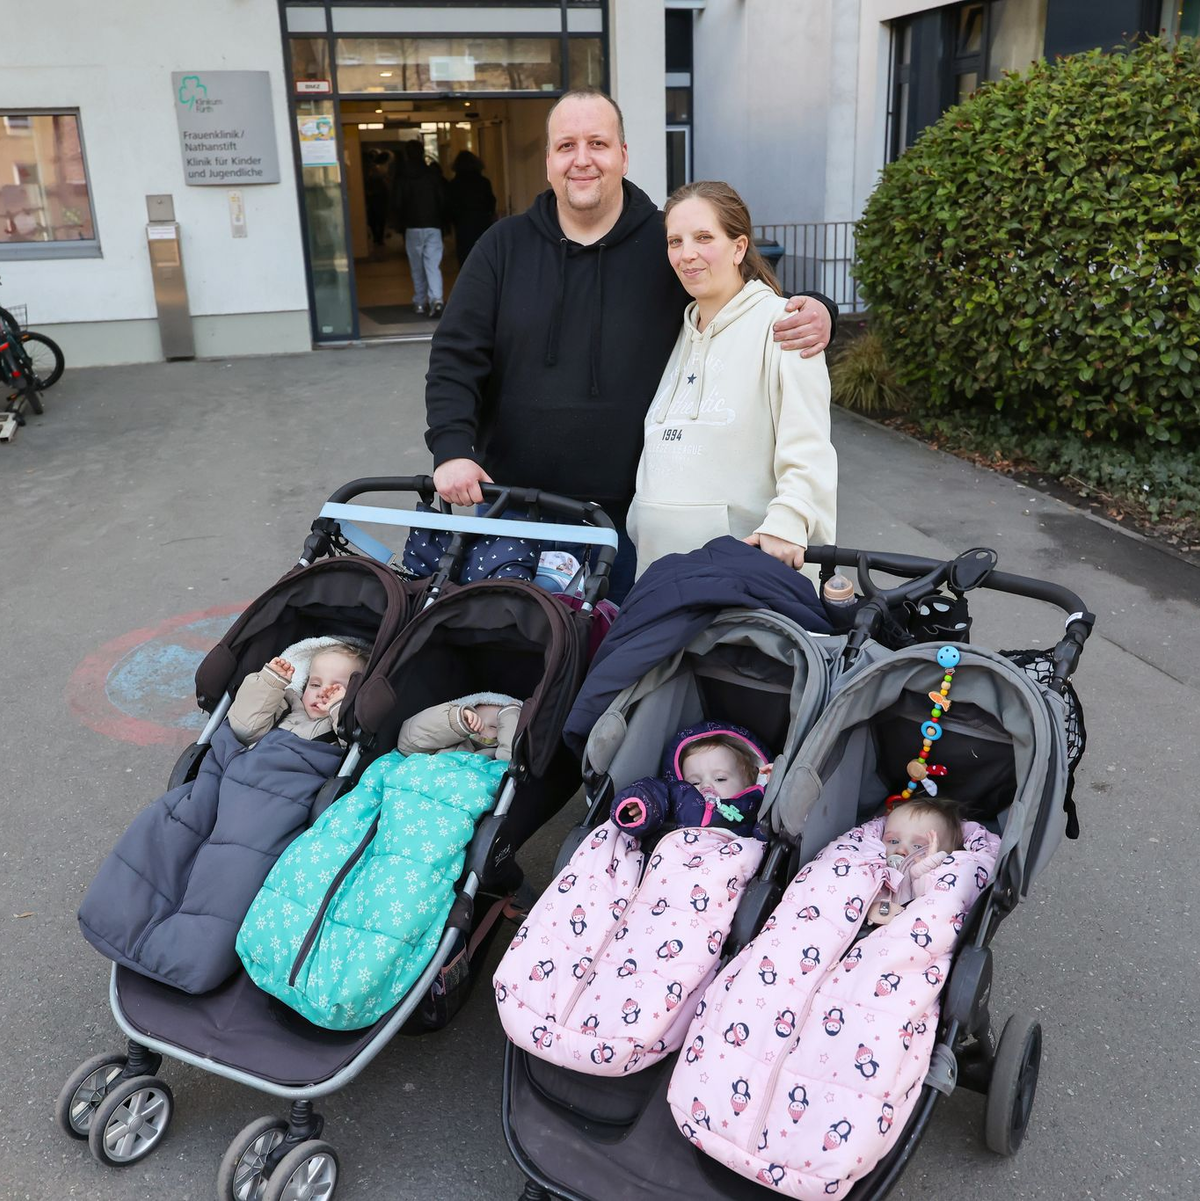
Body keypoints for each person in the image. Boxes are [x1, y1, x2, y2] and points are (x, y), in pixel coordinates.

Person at [424, 88, 836, 601]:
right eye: (566, 145)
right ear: (549, 161)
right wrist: (451, 449)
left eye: (597, 143)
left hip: (631, 522)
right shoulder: (502, 248)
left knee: (617, 664)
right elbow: (454, 357)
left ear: (623, 154)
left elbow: (733, 290)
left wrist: (819, 306)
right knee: (517, 657)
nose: (582, 160)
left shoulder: (663, 242)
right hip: (513, 510)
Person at [627, 180, 837, 578]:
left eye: (704, 237)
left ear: (739, 247)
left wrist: (789, 521)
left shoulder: (784, 326)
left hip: (742, 583)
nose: (687, 254)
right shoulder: (679, 335)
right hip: (659, 579)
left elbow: (809, 446)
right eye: (675, 241)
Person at [609, 723, 770, 838]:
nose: (706, 785)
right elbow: (654, 791)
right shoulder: (678, 796)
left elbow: (765, 837)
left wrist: (773, 783)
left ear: (749, 781)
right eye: (694, 783)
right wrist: (643, 804)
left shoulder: (753, 806)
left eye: (720, 778)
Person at [227, 641, 368, 747]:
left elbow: (351, 742)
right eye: (315, 685)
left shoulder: (341, 730)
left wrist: (340, 708)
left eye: (335, 690)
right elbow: (245, 729)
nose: (321, 693)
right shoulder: (285, 705)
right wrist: (270, 682)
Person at [866, 797, 964, 926]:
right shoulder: (874, 866)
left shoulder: (933, 878)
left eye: (918, 847)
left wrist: (928, 867)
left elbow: (931, 901)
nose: (901, 849)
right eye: (893, 841)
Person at [396, 692, 523, 762]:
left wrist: (511, 715)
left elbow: (508, 757)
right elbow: (407, 742)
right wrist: (456, 720)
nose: (479, 726)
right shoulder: (444, 741)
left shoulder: (496, 757)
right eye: (473, 717)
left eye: (494, 726)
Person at [398, 139, 447, 318]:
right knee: (433, 264)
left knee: (416, 266)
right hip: (433, 225)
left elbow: (398, 202)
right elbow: (442, 200)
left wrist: (399, 223)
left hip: (412, 226)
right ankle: (437, 300)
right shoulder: (432, 175)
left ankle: (420, 301)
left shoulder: (403, 177)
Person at [445, 149, 497, 268]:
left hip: (463, 223)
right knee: (485, 253)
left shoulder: (454, 184)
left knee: (465, 255)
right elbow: (491, 201)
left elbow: (450, 205)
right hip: (482, 221)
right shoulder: (483, 182)